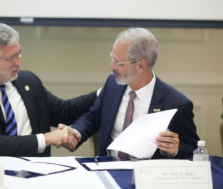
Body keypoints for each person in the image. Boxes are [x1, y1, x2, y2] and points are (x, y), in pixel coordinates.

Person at [0, 22, 97, 157]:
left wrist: (102, 93)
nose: (19, 62)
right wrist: (47, 138)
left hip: (36, 174)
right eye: (12, 58)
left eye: (19, 53)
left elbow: (63, 112)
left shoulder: (28, 81)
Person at [60, 28, 200, 159]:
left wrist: (175, 150)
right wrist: (76, 133)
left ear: (141, 65)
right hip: (108, 170)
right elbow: (93, 117)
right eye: (112, 58)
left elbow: (194, 150)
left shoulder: (177, 104)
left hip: (147, 179)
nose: (111, 67)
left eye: (118, 62)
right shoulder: (112, 84)